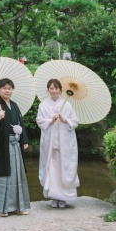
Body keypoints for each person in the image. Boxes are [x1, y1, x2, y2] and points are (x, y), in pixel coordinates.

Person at [0, 78, 30, 217]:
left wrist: (24, 139)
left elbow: (21, 123)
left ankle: (18, 206)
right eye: (4, 88)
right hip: (2, 147)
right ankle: (1, 208)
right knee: (4, 177)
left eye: (10, 88)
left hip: (15, 145)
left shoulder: (14, 106)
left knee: (16, 176)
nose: (7, 91)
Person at [36, 78, 80, 208]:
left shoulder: (67, 105)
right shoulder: (43, 105)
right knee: (51, 169)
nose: (54, 91)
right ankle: (54, 197)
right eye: (51, 88)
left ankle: (64, 198)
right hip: (50, 143)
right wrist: (51, 120)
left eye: (56, 88)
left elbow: (75, 122)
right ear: (48, 90)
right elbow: (39, 121)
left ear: (60, 90)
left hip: (64, 142)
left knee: (64, 168)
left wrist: (64, 119)